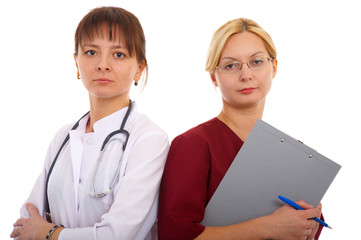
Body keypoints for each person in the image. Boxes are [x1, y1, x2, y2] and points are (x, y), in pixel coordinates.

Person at [11, 6, 169, 240]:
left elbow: (118, 234)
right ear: (77, 63)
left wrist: (50, 233)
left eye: (118, 54)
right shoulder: (63, 137)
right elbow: (27, 220)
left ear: (139, 69)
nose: (102, 65)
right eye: (91, 52)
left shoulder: (148, 139)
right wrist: (39, 230)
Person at [158, 18, 323, 240]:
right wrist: (270, 227)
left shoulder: (293, 153)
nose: (246, 75)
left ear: (273, 67)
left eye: (256, 61)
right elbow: (176, 235)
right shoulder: (193, 145)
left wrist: (307, 223)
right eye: (230, 66)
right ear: (213, 78)